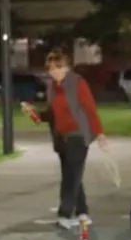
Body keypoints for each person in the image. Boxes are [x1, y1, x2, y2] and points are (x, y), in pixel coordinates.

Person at [21, 50, 109, 229]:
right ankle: (83, 212)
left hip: (77, 135)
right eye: (51, 68)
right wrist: (33, 113)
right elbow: (50, 114)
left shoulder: (77, 83)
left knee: (70, 177)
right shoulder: (52, 87)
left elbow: (90, 108)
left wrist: (99, 133)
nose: (54, 71)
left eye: (58, 67)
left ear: (67, 67)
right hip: (61, 138)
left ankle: (65, 214)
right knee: (73, 175)